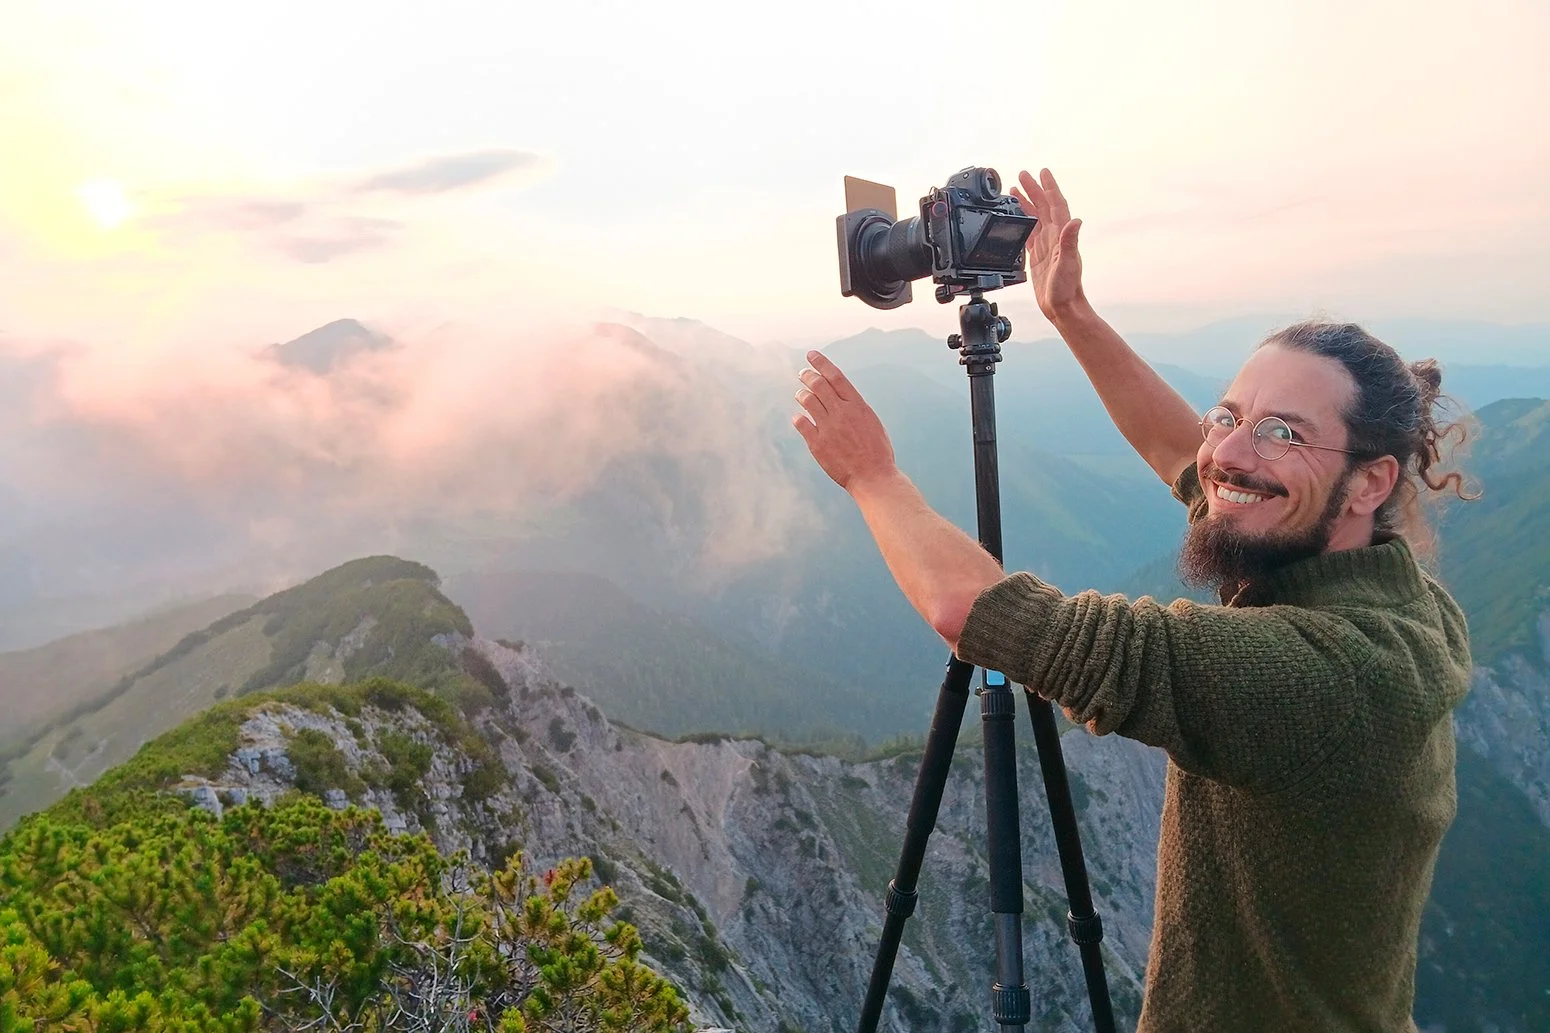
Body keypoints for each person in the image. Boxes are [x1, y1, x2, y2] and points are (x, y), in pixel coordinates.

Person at [792, 168, 1476, 1032]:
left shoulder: (1326, 676)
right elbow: (1182, 455)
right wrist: (1071, 312)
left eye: (1285, 433)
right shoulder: (1372, 581)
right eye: (1230, 414)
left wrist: (871, 474)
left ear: (1370, 480)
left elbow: (986, 616)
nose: (1232, 453)